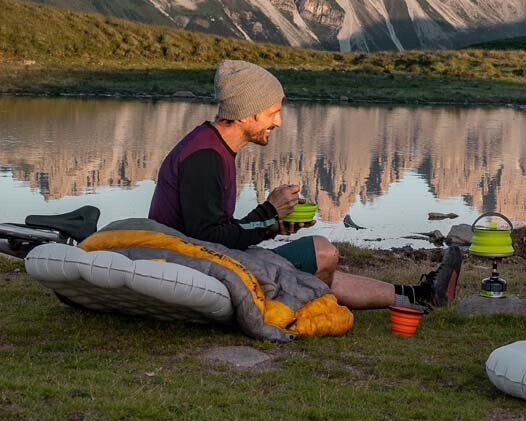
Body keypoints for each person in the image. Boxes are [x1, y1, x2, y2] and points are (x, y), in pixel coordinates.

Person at [149, 59, 460, 311]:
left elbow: (214, 232)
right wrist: (269, 212)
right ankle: (306, 309)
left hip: (204, 259)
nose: (278, 122)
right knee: (323, 253)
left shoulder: (211, 147)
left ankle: (420, 295)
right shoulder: (205, 157)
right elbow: (207, 238)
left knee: (314, 264)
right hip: (194, 269)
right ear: (249, 113)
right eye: (273, 112)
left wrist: (274, 225)